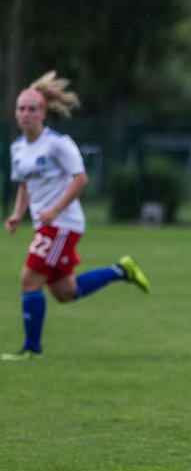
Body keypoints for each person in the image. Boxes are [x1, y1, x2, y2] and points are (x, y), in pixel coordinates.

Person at [4, 72, 150, 361]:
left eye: (32, 109)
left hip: (62, 224)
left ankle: (31, 350)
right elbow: (24, 184)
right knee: (64, 292)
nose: (25, 114)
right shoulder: (18, 148)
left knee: (29, 279)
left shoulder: (58, 143)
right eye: (21, 108)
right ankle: (121, 270)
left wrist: (55, 210)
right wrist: (17, 214)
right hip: (45, 224)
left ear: (43, 112)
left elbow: (80, 179)